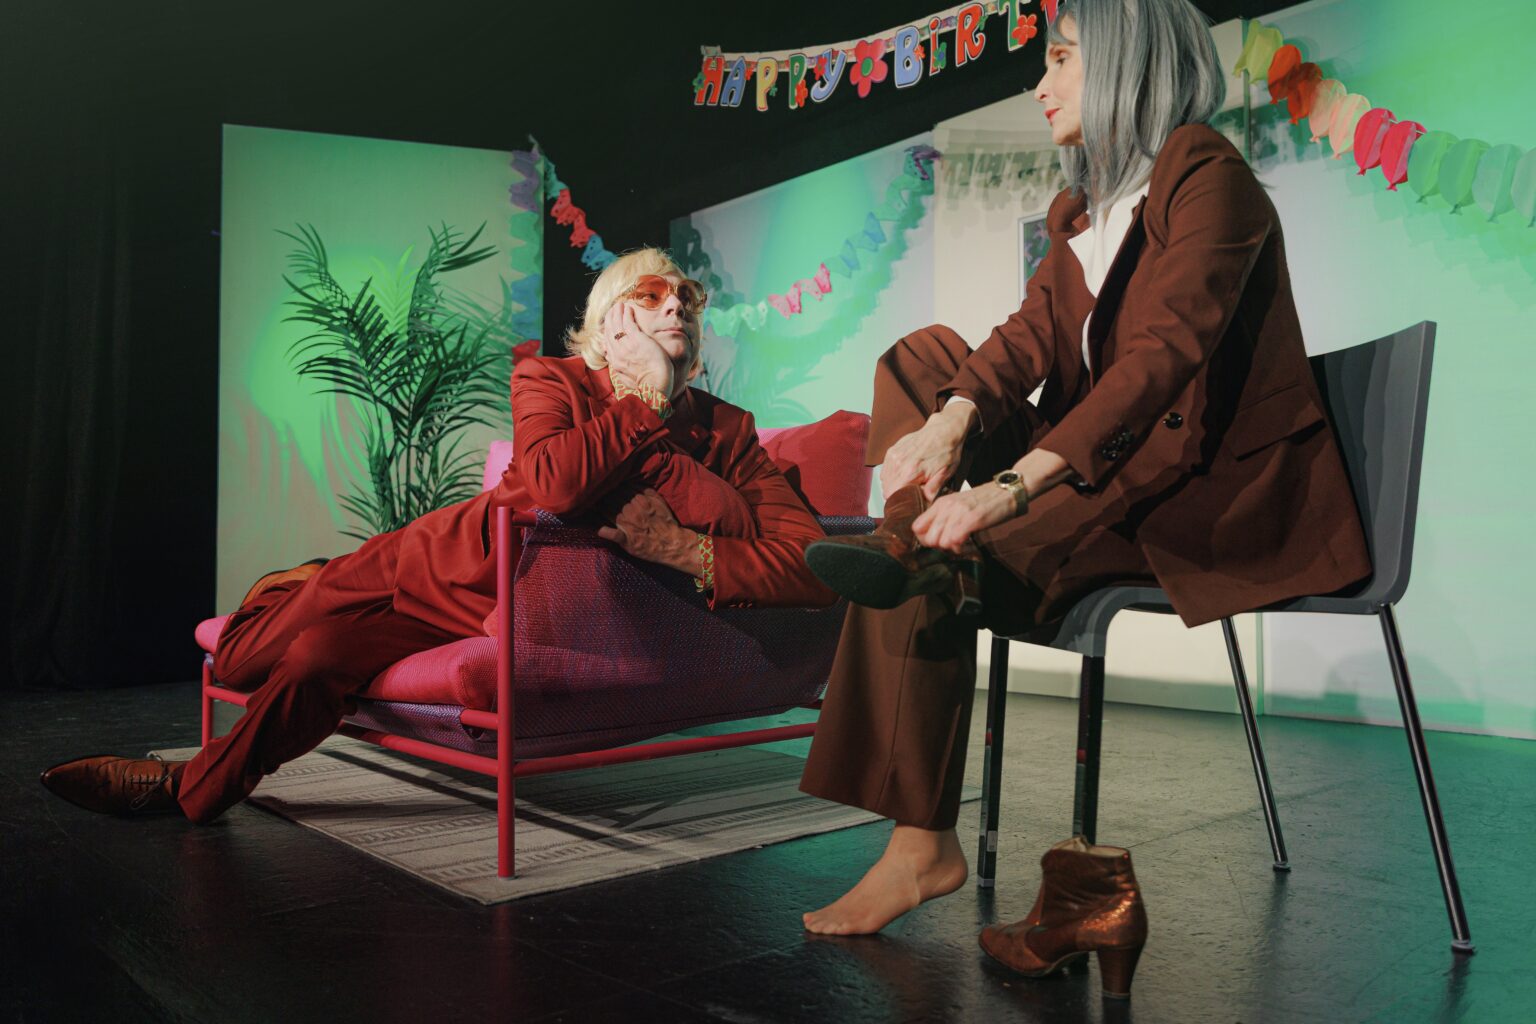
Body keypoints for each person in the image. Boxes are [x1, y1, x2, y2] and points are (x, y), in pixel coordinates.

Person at [795, 0, 1371, 991]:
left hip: (1192, 492)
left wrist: (1006, 489)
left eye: (1060, 59)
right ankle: (908, 547)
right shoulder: (1087, 214)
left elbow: (1159, 360)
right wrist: (953, 419)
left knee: (949, 558)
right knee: (924, 361)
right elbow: (1023, 339)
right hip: (1111, 468)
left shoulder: (1210, 180)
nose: (1041, 82)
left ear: (1124, 65)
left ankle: (919, 835)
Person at [41, 248, 836, 822]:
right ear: (610, 325)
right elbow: (558, 484)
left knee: (316, 658)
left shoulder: (728, 429)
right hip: (431, 564)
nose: (677, 308)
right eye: (653, 295)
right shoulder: (551, 379)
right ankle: (303, 580)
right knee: (245, 659)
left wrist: (687, 545)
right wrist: (646, 409)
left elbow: (810, 562)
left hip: (507, 610)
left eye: (688, 299)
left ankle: (186, 793)